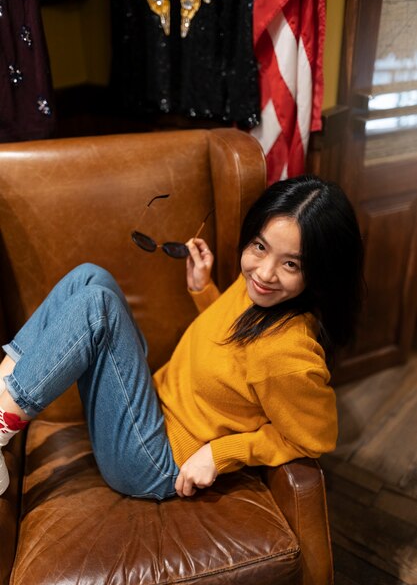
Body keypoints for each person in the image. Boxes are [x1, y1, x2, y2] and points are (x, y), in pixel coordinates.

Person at [0, 175, 364, 500]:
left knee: (97, 305)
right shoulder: (259, 291)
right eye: (260, 246)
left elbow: (315, 438)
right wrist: (203, 289)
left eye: (291, 264)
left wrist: (220, 454)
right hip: (150, 408)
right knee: (89, 277)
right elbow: (234, 350)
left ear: (320, 271)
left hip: (153, 462)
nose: (264, 272)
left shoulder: (289, 355)